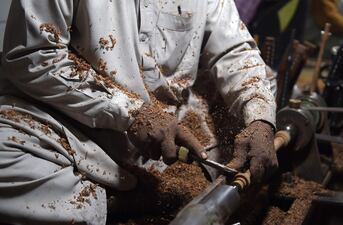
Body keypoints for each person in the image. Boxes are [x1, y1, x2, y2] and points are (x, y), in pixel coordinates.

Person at [0, 0, 277, 224]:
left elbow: (234, 49)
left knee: (249, 96)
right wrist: (132, 112)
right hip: (67, 128)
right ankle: (110, 203)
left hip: (163, 142)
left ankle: (127, 196)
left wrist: (261, 117)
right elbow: (34, 56)